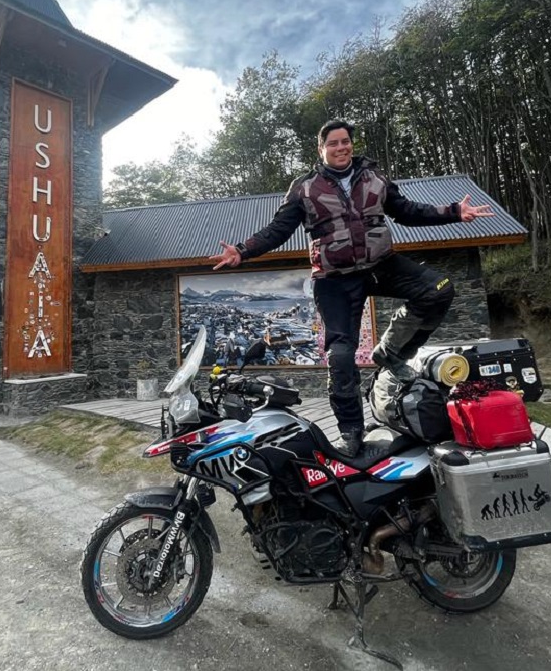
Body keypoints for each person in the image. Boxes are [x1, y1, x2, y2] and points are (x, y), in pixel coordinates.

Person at [210, 119, 494, 458]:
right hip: (334, 279)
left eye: (346, 141)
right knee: (341, 356)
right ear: (322, 149)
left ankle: (391, 352)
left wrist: (453, 212)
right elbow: (278, 229)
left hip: (380, 266)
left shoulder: (375, 179)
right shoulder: (304, 187)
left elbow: (407, 212)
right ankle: (351, 432)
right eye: (334, 143)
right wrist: (242, 250)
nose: (341, 147)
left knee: (438, 289)